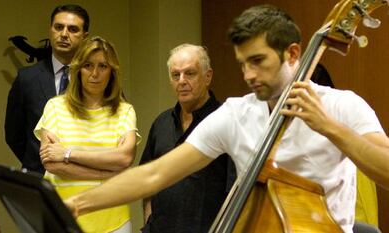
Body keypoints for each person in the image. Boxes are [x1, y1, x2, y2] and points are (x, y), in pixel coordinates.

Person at [65, 5, 389, 233]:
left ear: (292, 54)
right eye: (242, 63)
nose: (248, 74)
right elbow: (156, 174)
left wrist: (330, 128)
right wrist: (80, 203)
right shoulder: (236, 113)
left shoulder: (343, 106)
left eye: (258, 61)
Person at [35, 36, 139, 233]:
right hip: (61, 215)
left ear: (112, 72)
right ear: (78, 69)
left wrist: (67, 154)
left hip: (113, 219)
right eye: (88, 65)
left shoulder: (125, 111)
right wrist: (107, 173)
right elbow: (51, 163)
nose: (95, 73)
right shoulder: (55, 107)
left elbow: (124, 158)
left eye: (103, 66)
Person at [140, 44, 235, 233]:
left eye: (189, 73)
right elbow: (147, 181)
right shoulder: (161, 123)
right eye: (176, 75)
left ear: (208, 76)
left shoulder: (228, 121)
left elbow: (235, 194)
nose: (181, 81)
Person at [5, 4, 89, 174]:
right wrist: (37, 164)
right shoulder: (27, 78)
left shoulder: (98, 77)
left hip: (85, 178)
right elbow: (14, 135)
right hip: (39, 178)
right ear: (50, 30)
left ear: (84, 37)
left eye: (73, 29)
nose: (64, 34)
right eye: (59, 27)